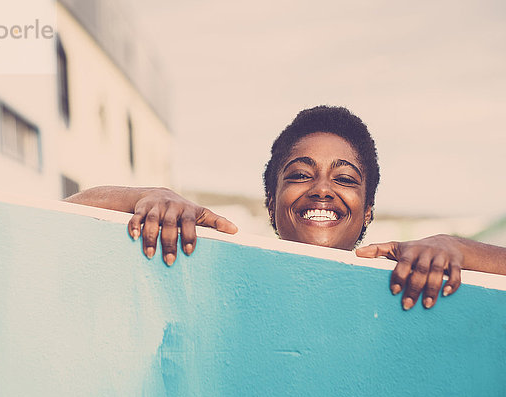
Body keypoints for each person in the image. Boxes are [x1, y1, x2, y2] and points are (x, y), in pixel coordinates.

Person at [65, 106, 506, 310]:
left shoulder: (408, 278)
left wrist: (455, 248)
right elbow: (62, 213)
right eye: (299, 174)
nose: (322, 190)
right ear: (270, 203)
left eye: (345, 179)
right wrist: (147, 197)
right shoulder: (217, 264)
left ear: (367, 211)